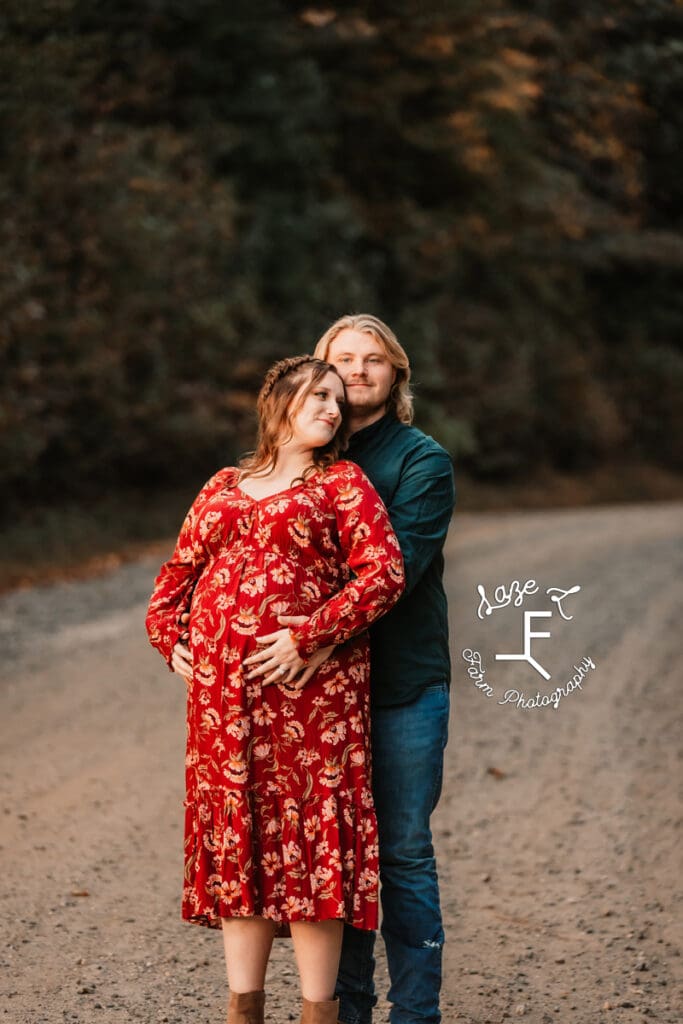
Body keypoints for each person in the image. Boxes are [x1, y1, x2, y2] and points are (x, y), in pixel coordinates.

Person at [145, 355, 405, 1024]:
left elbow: (381, 576)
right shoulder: (223, 485)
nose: (330, 408)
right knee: (242, 848)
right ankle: (244, 1011)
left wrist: (309, 636)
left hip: (313, 700)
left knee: (312, 852)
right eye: (316, 395)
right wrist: (170, 641)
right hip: (223, 707)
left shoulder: (342, 484)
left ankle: (319, 1013)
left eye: (337, 402)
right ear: (278, 403)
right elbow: (172, 583)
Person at [315, 316, 455, 1024]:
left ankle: (415, 1013)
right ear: (323, 372)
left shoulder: (420, 461)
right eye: (345, 359)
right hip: (315, 695)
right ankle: (346, 1012)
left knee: (399, 852)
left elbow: (388, 574)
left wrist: (294, 619)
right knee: (336, 857)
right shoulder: (300, 456)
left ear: (395, 374)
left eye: (374, 360)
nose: (360, 370)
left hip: (401, 688)